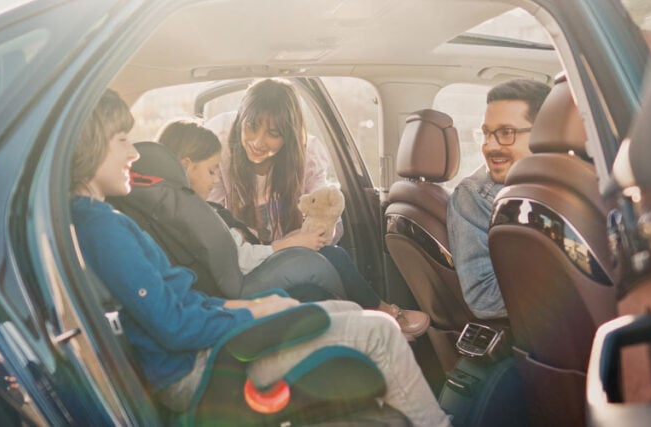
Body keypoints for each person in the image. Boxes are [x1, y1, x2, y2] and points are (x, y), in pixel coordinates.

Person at [68, 89, 450, 426]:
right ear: (90, 145)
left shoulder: (102, 219)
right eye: (122, 139)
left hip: (201, 350)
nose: (134, 152)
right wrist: (250, 312)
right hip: (197, 369)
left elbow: (178, 306)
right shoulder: (102, 228)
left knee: (349, 309)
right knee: (381, 330)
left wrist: (251, 305)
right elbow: (175, 326)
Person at [158, 119, 430, 339]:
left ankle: (371, 321)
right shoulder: (190, 211)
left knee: (323, 274)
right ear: (185, 166)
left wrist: (290, 239)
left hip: (240, 273)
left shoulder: (187, 205)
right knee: (320, 262)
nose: (216, 178)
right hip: (238, 284)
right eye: (211, 171)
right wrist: (287, 245)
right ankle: (377, 319)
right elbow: (241, 259)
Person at [447, 79, 551, 319]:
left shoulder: (575, 181)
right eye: (486, 133)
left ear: (544, 132)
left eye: (506, 133)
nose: (489, 146)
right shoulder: (476, 196)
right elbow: (483, 298)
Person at [206, 78, 341, 245]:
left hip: (294, 249)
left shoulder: (308, 154)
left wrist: (301, 237)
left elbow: (323, 215)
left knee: (336, 255)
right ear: (241, 121)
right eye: (252, 127)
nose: (257, 142)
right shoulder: (221, 144)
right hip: (244, 253)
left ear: (288, 137)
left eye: (273, 134)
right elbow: (211, 215)